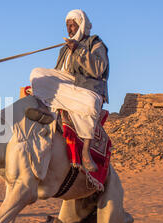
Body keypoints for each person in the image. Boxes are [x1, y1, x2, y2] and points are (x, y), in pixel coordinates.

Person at [25, 9, 109, 172]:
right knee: (36, 73)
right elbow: (58, 71)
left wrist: (78, 49)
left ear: (82, 25)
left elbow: (98, 69)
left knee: (91, 104)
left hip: (87, 86)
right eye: (68, 25)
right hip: (66, 84)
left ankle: (86, 151)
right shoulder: (64, 48)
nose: (70, 29)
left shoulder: (95, 43)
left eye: (73, 25)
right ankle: (47, 112)